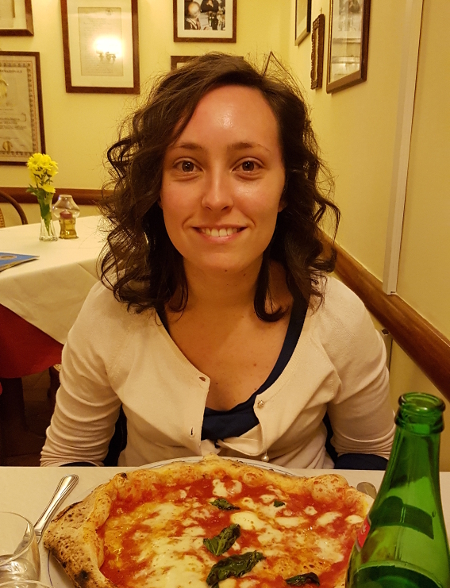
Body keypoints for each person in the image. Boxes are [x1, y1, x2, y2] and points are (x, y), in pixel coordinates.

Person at [41, 53, 395, 469]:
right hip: (140, 510)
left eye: (248, 165)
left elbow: (371, 455)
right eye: (186, 165)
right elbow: (69, 458)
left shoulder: (339, 319)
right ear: (157, 188)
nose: (215, 199)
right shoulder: (109, 313)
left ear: (285, 188)